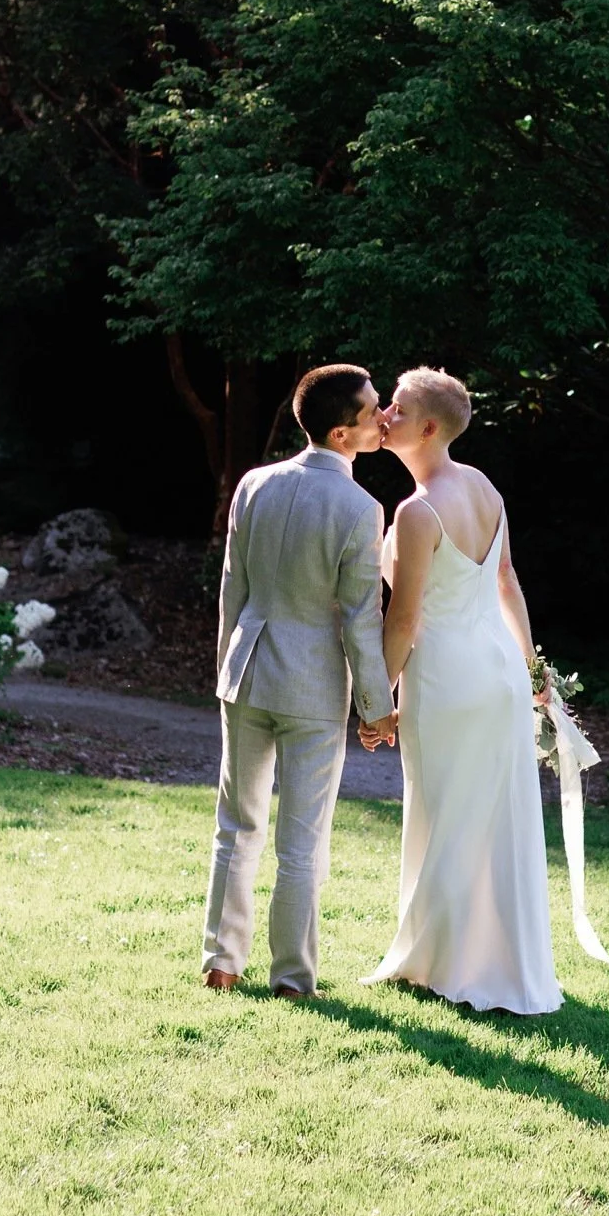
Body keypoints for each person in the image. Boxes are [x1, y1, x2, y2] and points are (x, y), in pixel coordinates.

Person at [363, 366, 562, 1015]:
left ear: (426, 427)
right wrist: (532, 673)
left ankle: (439, 962)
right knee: (491, 819)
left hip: (448, 673)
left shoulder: (418, 512)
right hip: (499, 671)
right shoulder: (482, 487)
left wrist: (374, 696)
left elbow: (405, 620)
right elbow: (508, 580)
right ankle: (489, 962)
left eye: (394, 407)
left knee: (444, 814)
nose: (383, 415)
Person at [201, 363, 397, 998]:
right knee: (303, 841)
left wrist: (226, 663)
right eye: (373, 412)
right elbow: (362, 619)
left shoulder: (254, 485)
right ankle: (291, 978)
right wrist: (377, 707)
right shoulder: (362, 508)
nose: (383, 418)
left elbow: (234, 588)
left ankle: (222, 963)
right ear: (343, 434)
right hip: (312, 683)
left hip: (247, 669)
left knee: (237, 825)